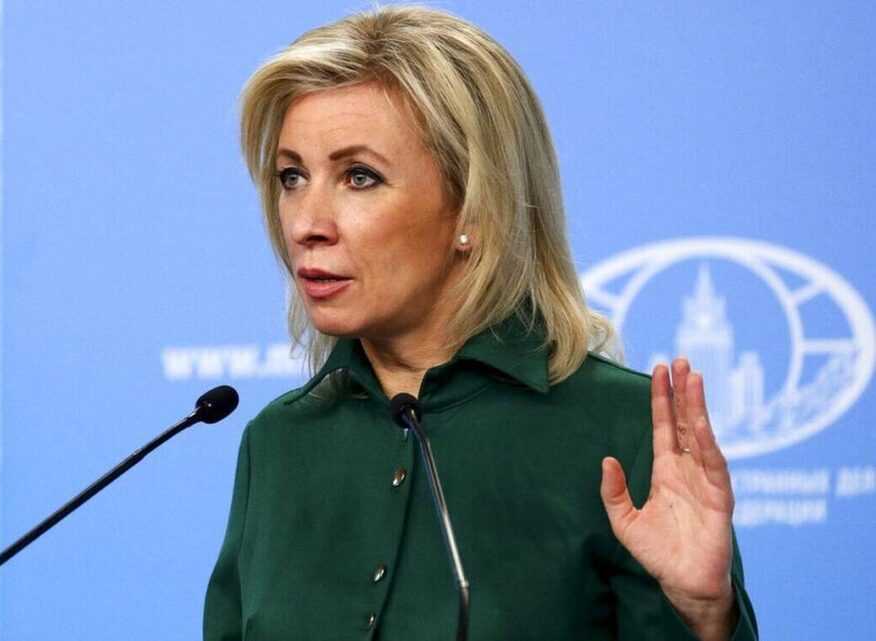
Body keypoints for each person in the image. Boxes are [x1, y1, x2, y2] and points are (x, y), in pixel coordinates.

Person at [204, 5, 758, 640]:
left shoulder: (622, 430)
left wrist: (704, 616)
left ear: (474, 205)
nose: (306, 223)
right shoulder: (278, 441)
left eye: (359, 177)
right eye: (292, 177)